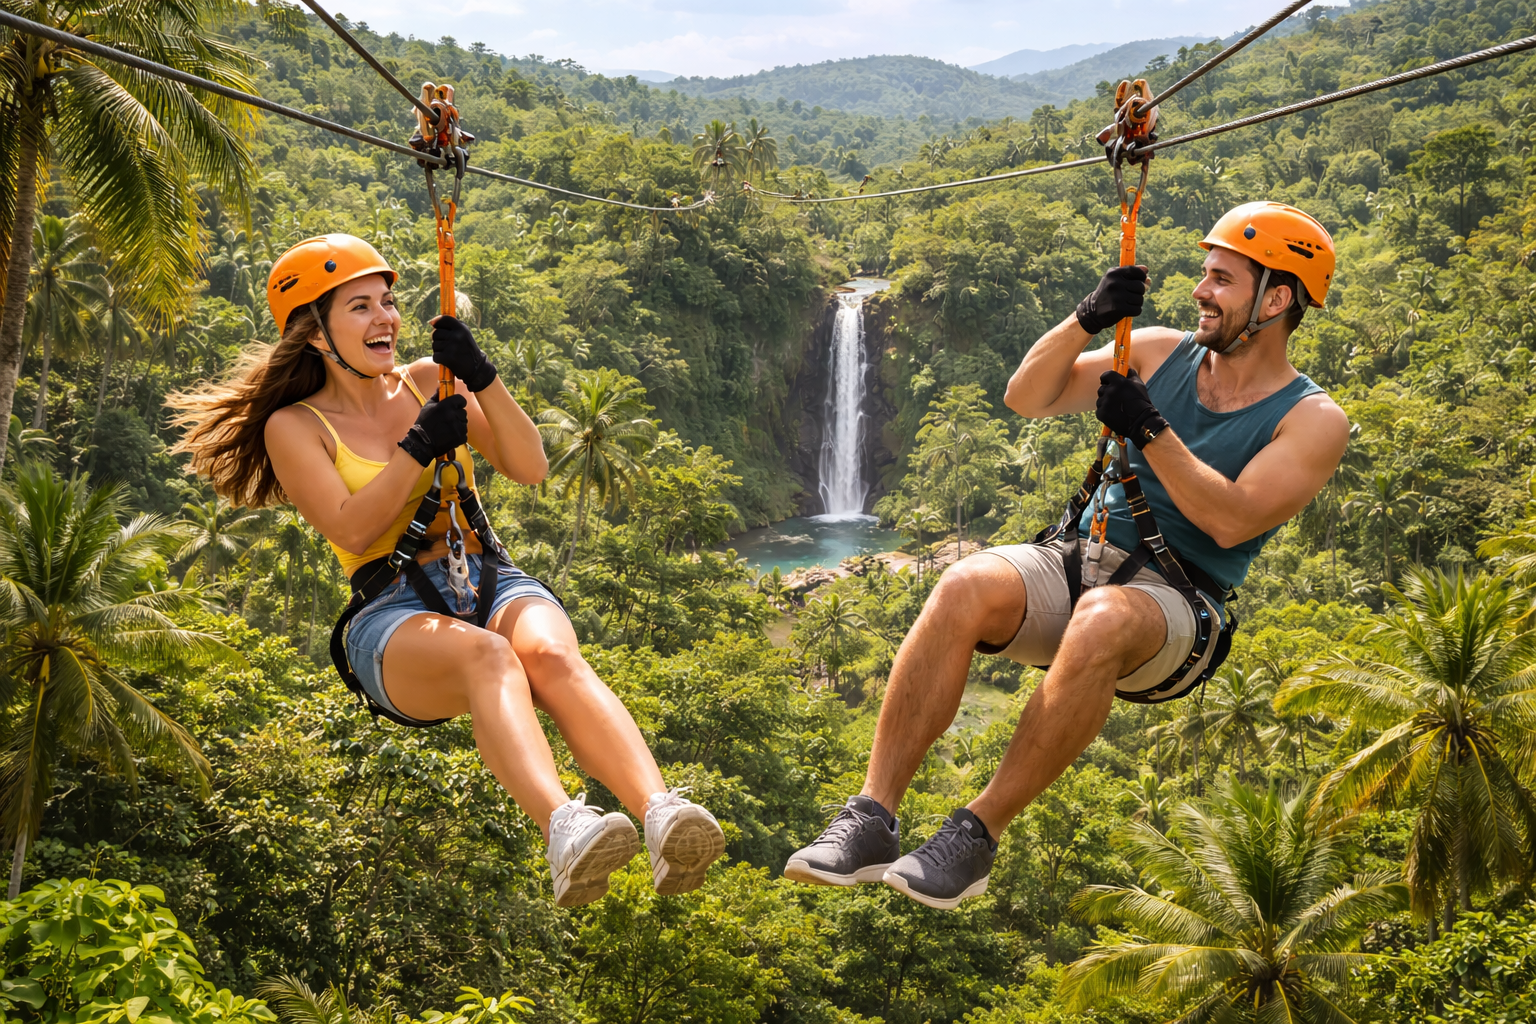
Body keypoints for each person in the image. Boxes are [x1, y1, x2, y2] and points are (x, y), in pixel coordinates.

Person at [783, 202, 1350, 910]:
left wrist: (1146, 428)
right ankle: (871, 817)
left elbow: (1230, 521)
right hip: (1086, 557)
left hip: (1178, 602)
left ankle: (976, 833)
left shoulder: (1312, 419)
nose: (1201, 291)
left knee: (1105, 618)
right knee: (963, 584)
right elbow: (1028, 396)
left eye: (1222, 280)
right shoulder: (1160, 351)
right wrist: (1086, 317)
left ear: (1277, 299)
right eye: (1205, 275)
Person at [170, 234, 726, 907]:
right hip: (391, 608)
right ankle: (565, 828)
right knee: (491, 658)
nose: (386, 319)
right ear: (315, 334)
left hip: (481, 569)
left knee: (549, 654)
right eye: (361, 307)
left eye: (388, 302)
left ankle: (660, 811)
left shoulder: (428, 381)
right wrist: (418, 446)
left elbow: (531, 467)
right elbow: (349, 526)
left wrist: (483, 376)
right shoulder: (296, 425)